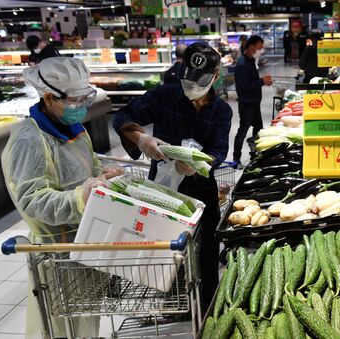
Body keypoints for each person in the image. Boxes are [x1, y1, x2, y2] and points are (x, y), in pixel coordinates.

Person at [2, 57, 124, 338]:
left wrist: (103, 177)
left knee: (84, 322)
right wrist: (80, 197)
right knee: (59, 327)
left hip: (84, 243)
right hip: (55, 254)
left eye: (86, 97)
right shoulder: (30, 138)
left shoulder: (76, 129)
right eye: (75, 100)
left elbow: (89, 169)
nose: (82, 106)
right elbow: (32, 200)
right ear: (48, 97)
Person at [113, 43, 232, 309]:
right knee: (169, 252)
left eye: (198, 81)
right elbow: (122, 116)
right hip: (163, 191)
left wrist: (199, 164)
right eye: (187, 79)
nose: (191, 87)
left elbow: (219, 150)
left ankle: (209, 305)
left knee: (207, 253)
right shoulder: (164, 96)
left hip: (202, 192)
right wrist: (140, 138)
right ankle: (176, 304)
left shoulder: (222, 110)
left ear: (215, 76)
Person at [232, 35, 273, 167]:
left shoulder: (250, 61)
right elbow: (245, 86)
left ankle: (255, 154)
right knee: (242, 131)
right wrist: (262, 81)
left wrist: (261, 81)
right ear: (251, 47)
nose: (261, 51)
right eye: (259, 49)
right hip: (247, 104)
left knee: (258, 129)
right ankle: (236, 159)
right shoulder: (242, 64)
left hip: (254, 103)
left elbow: (251, 81)